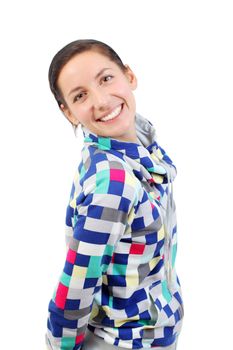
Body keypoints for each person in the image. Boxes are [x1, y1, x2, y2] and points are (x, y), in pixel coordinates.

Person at [45, 39, 184, 350]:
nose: (102, 100)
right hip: (124, 343)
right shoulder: (114, 180)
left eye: (106, 78)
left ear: (129, 76)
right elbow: (77, 283)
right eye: (80, 95)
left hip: (154, 332)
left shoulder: (142, 148)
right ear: (68, 112)